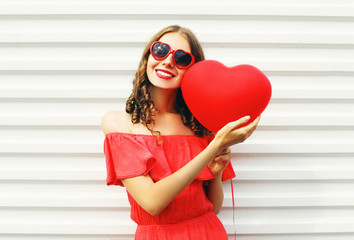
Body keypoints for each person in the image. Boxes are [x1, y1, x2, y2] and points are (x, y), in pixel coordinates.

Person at [101, 25, 260, 240]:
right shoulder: (120, 123)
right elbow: (152, 203)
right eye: (160, 50)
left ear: (193, 70)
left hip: (208, 232)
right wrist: (214, 147)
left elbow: (213, 208)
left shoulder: (201, 125)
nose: (167, 61)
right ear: (148, 55)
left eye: (182, 58)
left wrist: (217, 173)